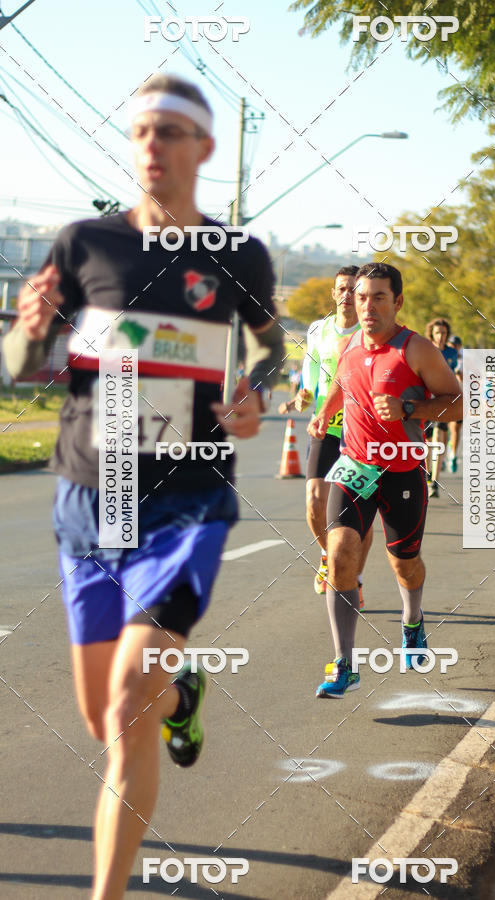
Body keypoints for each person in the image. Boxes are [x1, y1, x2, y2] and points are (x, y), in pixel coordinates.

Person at [3, 73, 284, 900]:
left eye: (170, 131)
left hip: (186, 499)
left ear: (204, 146)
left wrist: (255, 390)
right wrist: (23, 335)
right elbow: (21, 369)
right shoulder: (83, 243)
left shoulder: (239, 256)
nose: (153, 145)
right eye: (141, 133)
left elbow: (269, 347)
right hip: (91, 493)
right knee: (104, 718)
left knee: (126, 707)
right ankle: (182, 691)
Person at [308, 262, 462, 698]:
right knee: (339, 555)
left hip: (402, 470)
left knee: (405, 564)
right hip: (355, 466)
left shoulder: (416, 350)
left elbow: (459, 405)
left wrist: (411, 410)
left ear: (397, 302)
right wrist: (324, 411)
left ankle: (412, 622)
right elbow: (343, 381)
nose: (368, 306)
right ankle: (344, 664)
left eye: (378, 297)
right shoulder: (351, 343)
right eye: (361, 297)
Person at [294, 266, 372, 604]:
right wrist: (304, 395)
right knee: (314, 501)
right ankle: (331, 559)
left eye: (352, 289)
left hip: (361, 430)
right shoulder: (317, 330)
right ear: (334, 293)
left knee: (359, 513)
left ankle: (352, 576)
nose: (345, 294)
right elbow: (310, 372)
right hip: (325, 426)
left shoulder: (370, 332)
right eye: (341, 288)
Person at [424, 318, 459, 498]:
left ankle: (435, 482)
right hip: (425, 403)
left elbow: (454, 375)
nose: (441, 336)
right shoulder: (424, 350)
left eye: (444, 333)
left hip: (443, 403)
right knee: (427, 443)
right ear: (432, 334)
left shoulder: (452, 353)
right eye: (437, 333)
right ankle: (428, 475)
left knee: (438, 437)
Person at [447, 334, 463, 472]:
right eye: (451, 345)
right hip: (444, 396)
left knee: (455, 429)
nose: (454, 348)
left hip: (458, 398)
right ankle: (441, 453)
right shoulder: (443, 355)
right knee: (441, 429)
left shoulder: (463, 359)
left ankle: (452, 454)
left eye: (456, 345)